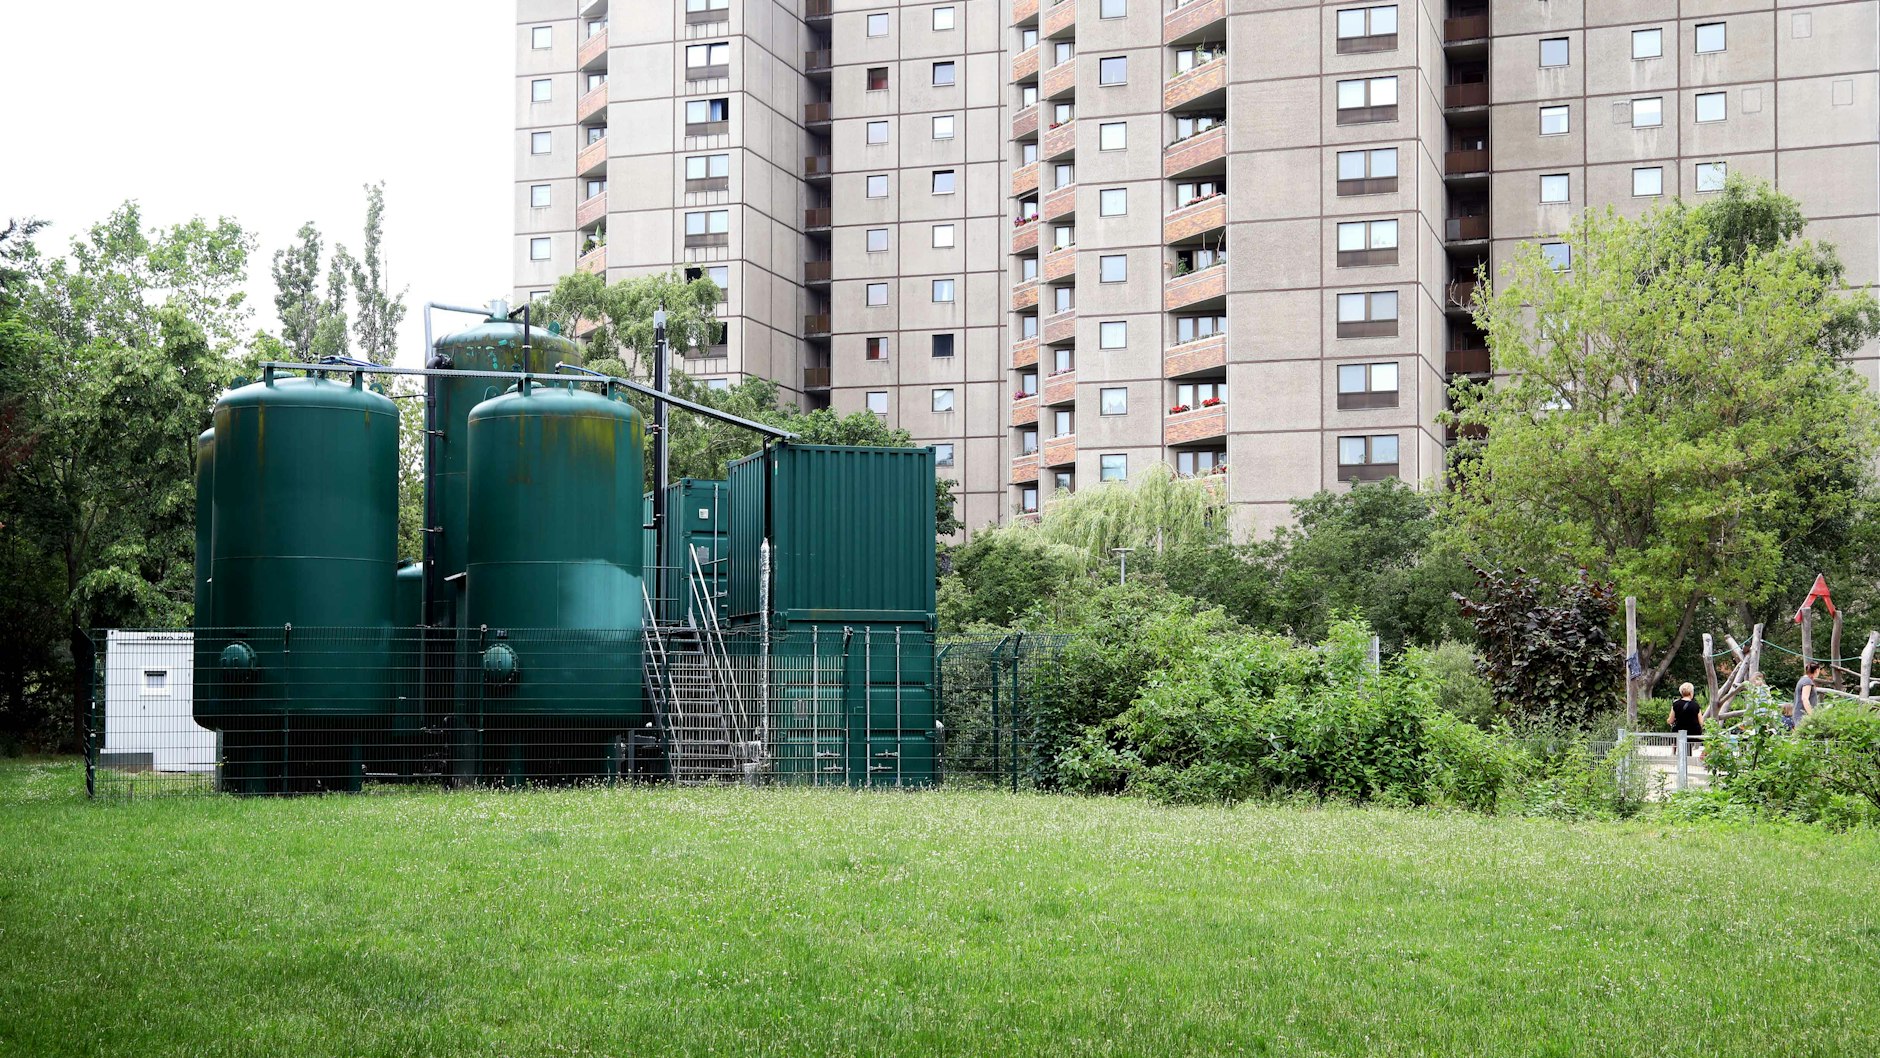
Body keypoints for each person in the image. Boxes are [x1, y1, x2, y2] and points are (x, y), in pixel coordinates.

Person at [1667, 682, 1704, 759]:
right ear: (1691, 692)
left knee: (1676, 735)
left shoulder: (1676, 704)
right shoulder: (1696, 705)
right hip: (1693, 732)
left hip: (1679, 731)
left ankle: (1675, 754)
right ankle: (1688, 759)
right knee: (1688, 744)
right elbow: (1701, 722)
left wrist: (1669, 721)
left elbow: (1670, 720)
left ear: (1681, 692)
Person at [1790, 662, 1822, 730]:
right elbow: (1805, 698)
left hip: (1799, 713)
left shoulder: (1803, 679)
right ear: (1816, 670)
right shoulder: (1807, 681)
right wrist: (1812, 715)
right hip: (1803, 715)